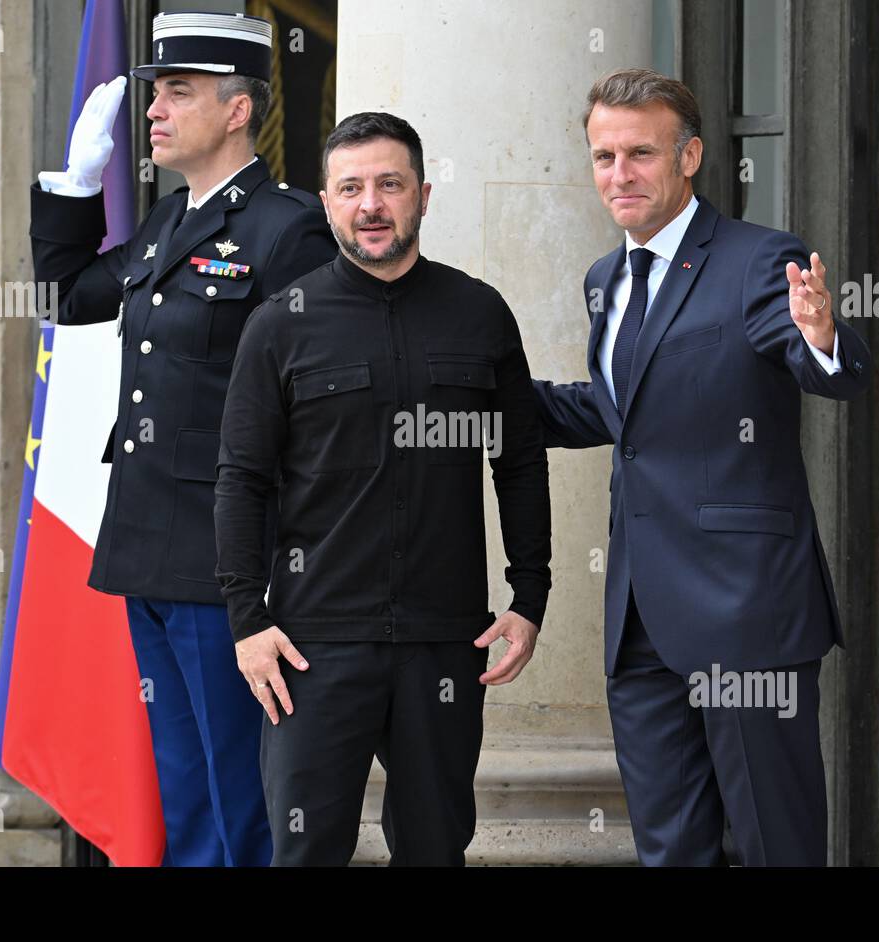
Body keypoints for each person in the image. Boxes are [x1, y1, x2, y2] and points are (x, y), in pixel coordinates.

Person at [531, 69, 872, 866]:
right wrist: (480, 394)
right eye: (604, 156)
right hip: (640, 620)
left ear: (690, 157)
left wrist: (822, 334)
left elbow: (829, 370)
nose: (620, 174)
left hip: (745, 609)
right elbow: (625, 416)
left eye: (640, 154)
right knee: (670, 849)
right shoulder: (604, 280)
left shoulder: (760, 260)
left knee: (772, 844)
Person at [28, 11, 336, 866]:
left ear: (238, 110)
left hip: (227, 557)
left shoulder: (288, 230)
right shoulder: (167, 225)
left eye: (179, 92)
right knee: (187, 790)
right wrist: (74, 188)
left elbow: (314, 409)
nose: (154, 110)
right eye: (155, 91)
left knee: (243, 798)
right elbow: (65, 297)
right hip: (147, 546)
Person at [215, 112, 552, 866]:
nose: (371, 203)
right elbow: (239, 478)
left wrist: (530, 595)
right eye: (351, 188)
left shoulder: (481, 313)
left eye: (390, 184)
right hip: (312, 646)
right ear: (327, 203)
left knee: (435, 851)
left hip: (444, 642)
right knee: (305, 853)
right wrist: (246, 619)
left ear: (423, 196)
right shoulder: (279, 326)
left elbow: (520, 461)